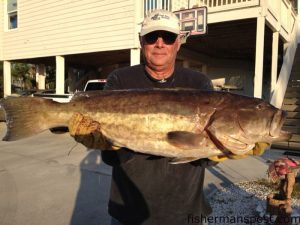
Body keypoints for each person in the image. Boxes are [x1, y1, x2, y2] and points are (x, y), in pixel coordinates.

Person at [68, 9, 268, 225]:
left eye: (169, 37)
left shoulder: (199, 83)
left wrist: (223, 149)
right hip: (128, 212)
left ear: (179, 42)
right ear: (141, 41)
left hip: (185, 212)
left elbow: (202, 162)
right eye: (152, 37)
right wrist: (105, 143)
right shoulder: (120, 79)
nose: (160, 43)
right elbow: (112, 160)